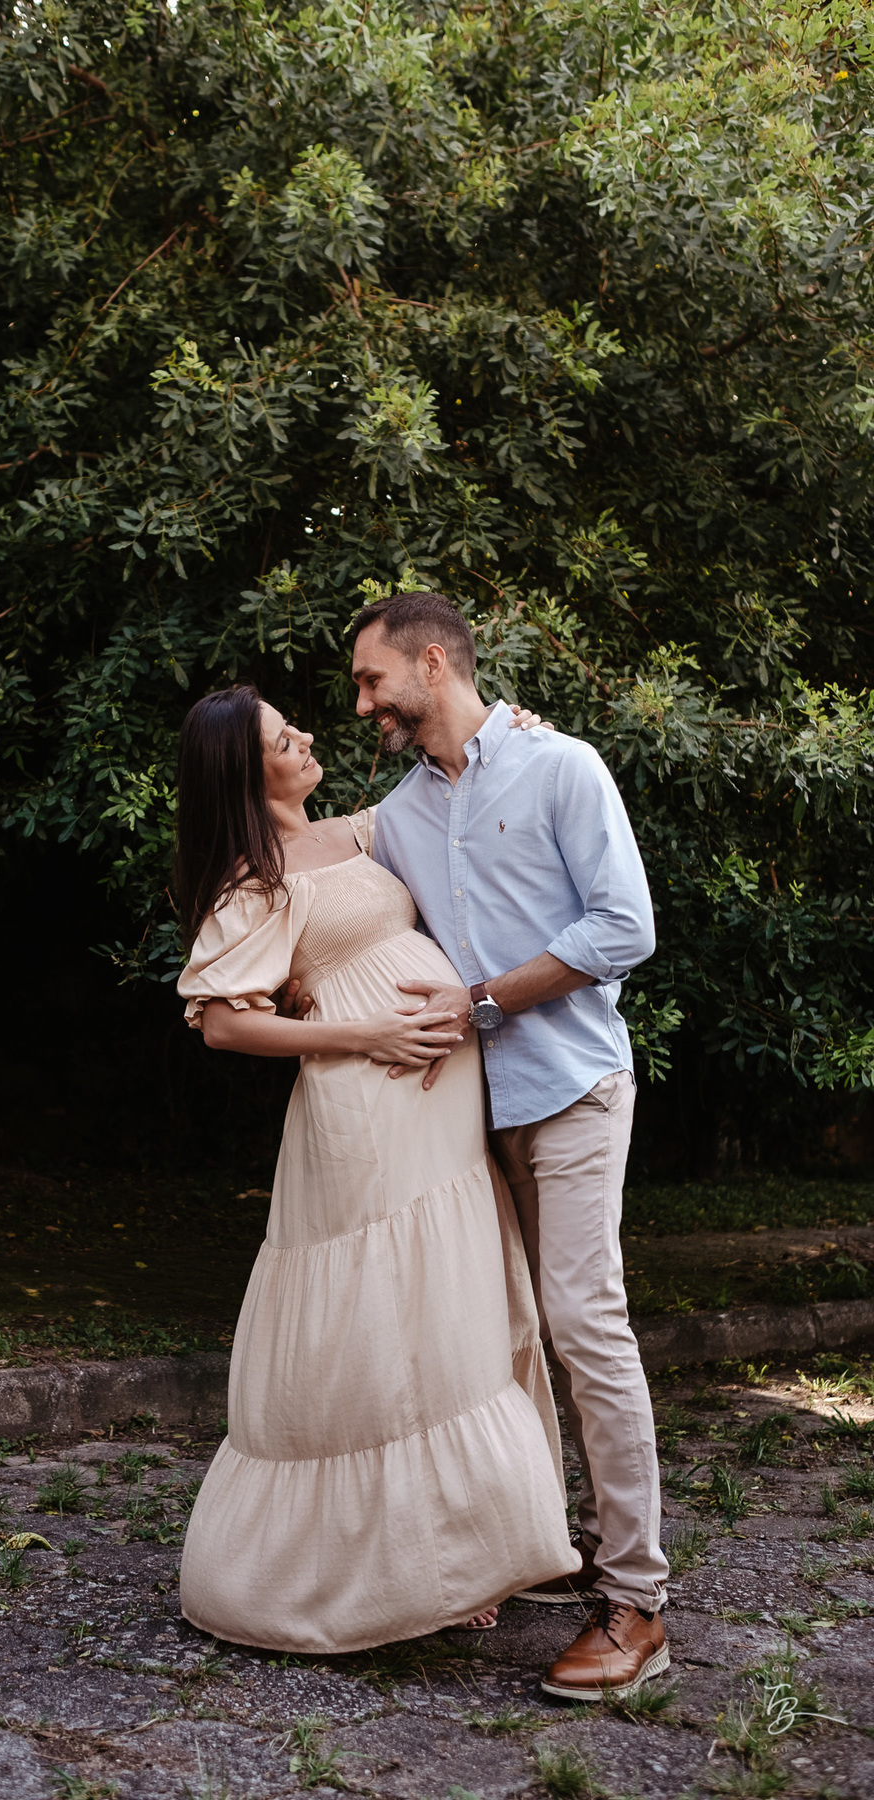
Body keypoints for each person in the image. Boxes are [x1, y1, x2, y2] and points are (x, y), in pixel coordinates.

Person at [173, 682, 580, 1655]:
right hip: (362, 1108)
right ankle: (411, 1569)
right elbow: (225, 1020)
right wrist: (363, 1033)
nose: (306, 734)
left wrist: (507, 728)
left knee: (456, 1303)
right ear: (245, 768)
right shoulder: (253, 882)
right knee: (391, 1318)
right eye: (283, 736)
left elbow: (452, 789)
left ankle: (474, 1543)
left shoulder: (354, 834)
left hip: (438, 1116)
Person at [349, 590, 669, 1701]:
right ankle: (521, 1546)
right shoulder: (395, 815)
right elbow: (314, 866)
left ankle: (638, 1601)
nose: (363, 704)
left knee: (584, 1323)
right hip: (465, 1118)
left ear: (432, 665)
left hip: (573, 1088)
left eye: (372, 680)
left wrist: (484, 1002)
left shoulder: (562, 766)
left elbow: (626, 926)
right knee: (494, 1339)